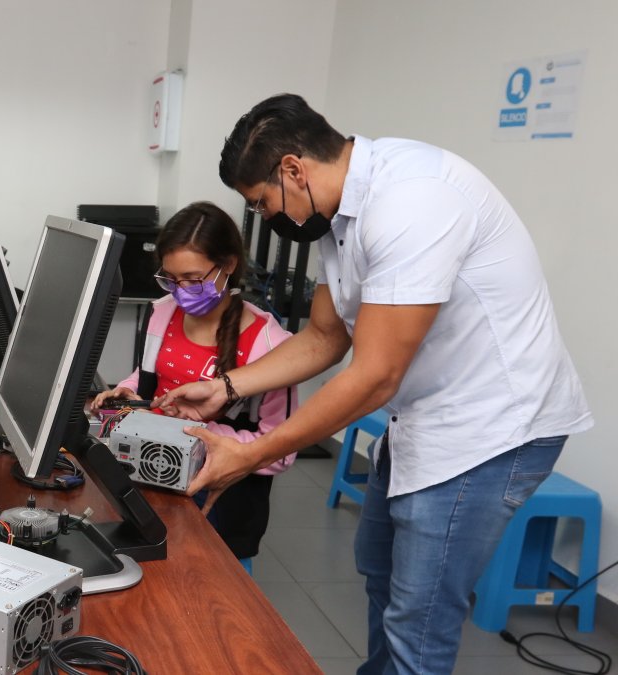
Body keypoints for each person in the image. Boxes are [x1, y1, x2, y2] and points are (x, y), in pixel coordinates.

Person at [156, 94, 592, 674]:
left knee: (420, 616)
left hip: (490, 430)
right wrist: (227, 388)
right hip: (426, 417)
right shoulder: (338, 217)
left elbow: (375, 376)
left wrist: (251, 452)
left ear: (293, 169)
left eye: (261, 203)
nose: (265, 219)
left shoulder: (412, 201)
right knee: (381, 571)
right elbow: (323, 337)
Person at [88, 201, 298, 561]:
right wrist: (129, 391)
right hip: (151, 479)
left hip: (221, 502)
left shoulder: (270, 347)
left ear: (228, 265)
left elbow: (281, 450)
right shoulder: (162, 312)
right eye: (170, 278)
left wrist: (198, 438)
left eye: (192, 279)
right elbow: (150, 377)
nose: (180, 290)